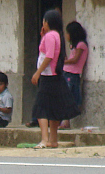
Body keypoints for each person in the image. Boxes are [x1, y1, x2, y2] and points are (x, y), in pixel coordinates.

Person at [30, 9, 80, 149]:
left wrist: (38, 73)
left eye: (44, 21)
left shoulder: (51, 36)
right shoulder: (55, 35)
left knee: (41, 109)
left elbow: (49, 55)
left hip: (48, 76)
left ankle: (45, 139)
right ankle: (53, 139)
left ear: (47, 22)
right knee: (53, 109)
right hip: (54, 76)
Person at [60, 21, 89, 129]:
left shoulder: (81, 45)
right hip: (68, 73)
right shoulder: (75, 45)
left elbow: (75, 60)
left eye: (67, 33)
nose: (66, 36)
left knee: (69, 98)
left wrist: (63, 62)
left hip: (72, 74)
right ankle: (65, 122)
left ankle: (65, 122)